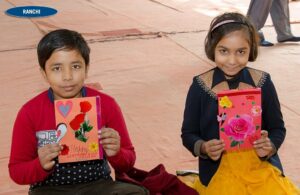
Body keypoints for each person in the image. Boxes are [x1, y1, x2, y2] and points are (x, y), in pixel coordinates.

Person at [8, 29, 148, 195]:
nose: (68, 76)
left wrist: (117, 153)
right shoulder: (30, 112)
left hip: (99, 185)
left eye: (75, 66)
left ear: (86, 69)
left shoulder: (106, 104)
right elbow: (16, 171)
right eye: (57, 68)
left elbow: (128, 161)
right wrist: (40, 164)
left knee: (138, 193)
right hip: (50, 189)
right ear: (44, 73)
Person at [181, 12, 300, 194]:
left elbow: (278, 128)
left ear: (250, 50)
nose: (232, 61)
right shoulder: (200, 86)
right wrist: (204, 147)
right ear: (212, 48)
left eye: (241, 52)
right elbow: (188, 134)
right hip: (219, 172)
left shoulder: (263, 82)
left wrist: (269, 146)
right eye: (223, 51)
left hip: (260, 168)